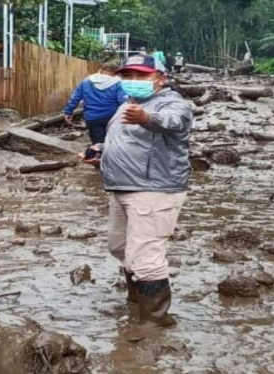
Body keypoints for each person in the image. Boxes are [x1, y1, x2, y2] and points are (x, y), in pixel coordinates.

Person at [84, 55, 193, 327]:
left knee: (145, 255)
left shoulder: (173, 103)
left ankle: (154, 323)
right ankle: (136, 304)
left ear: (160, 79)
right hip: (122, 187)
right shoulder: (127, 105)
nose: (133, 81)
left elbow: (172, 121)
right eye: (128, 76)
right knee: (119, 247)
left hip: (154, 189)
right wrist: (101, 152)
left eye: (141, 76)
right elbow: (128, 143)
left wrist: (146, 117)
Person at [64, 62, 126, 145]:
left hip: (92, 117)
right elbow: (123, 101)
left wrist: (68, 112)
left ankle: (98, 156)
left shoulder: (86, 81)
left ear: (100, 70)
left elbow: (75, 98)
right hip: (112, 117)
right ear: (116, 72)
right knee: (113, 143)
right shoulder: (119, 83)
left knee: (98, 144)